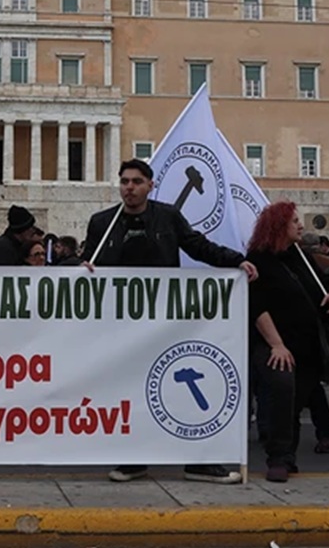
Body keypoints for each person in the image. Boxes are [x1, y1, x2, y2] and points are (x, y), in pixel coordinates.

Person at [84, 158, 258, 484]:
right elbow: (87, 260)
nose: (129, 188)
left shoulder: (168, 217)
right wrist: (79, 268)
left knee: (177, 390)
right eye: (124, 181)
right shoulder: (102, 222)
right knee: (130, 391)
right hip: (121, 325)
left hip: (167, 324)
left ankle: (199, 461)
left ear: (150, 186)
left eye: (136, 182)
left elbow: (197, 246)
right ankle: (133, 459)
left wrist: (236, 261)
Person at [245, 201, 329, 482]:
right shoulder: (259, 258)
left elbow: (322, 285)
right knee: (282, 396)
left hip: (307, 344)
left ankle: (289, 457)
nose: (301, 225)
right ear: (279, 226)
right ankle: (278, 457)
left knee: (296, 402)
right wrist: (276, 344)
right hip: (275, 343)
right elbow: (257, 305)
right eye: (294, 221)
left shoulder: (301, 256)